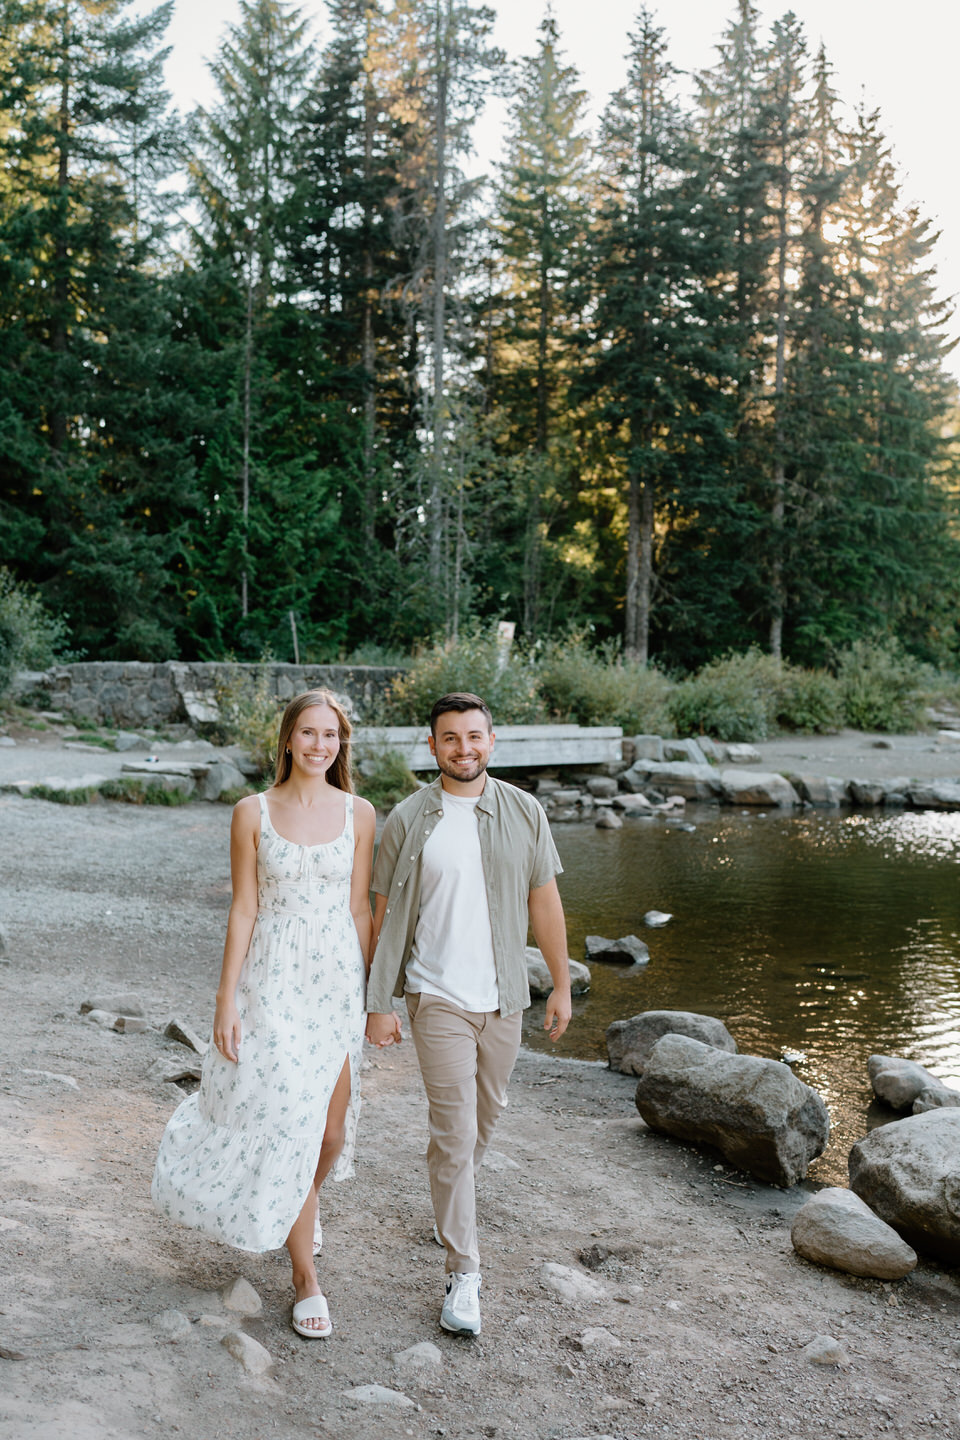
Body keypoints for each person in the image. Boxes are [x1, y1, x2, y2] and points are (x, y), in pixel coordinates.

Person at [152, 689, 374, 1340]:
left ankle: (294, 1201)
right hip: (272, 983)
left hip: (334, 984)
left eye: (330, 735)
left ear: (341, 745)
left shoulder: (361, 814)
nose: (319, 745)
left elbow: (359, 910)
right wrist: (225, 999)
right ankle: (306, 1278)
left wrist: (369, 1000)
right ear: (286, 740)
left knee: (329, 1135)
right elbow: (244, 908)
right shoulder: (251, 812)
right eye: (308, 733)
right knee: (291, 1125)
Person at [365, 691, 571, 1337]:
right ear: (432, 747)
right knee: (454, 1133)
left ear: (492, 740)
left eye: (474, 736)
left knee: (484, 1121)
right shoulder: (406, 819)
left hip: (504, 998)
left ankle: (447, 1198)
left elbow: (546, 905)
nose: (463, 748)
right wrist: (378, 1002)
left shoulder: (524, 811)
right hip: (436, 999)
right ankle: (465, 1272)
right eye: (449, 738)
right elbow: (380, 915)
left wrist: (560, 985)